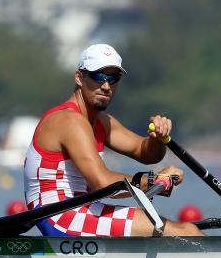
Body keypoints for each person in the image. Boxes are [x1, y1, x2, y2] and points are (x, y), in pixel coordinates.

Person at [23, 43, 202, 237]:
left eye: (113, 78)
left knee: (184, 230)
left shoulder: (101, 122)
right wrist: (153, 180)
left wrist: (157, 138)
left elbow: (147, 153)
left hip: (85, 209)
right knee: (187, 232)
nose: (106, 86)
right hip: (60, 216)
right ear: (79, 77)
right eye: (98, 76)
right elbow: (102, 182)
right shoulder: (69, 120)